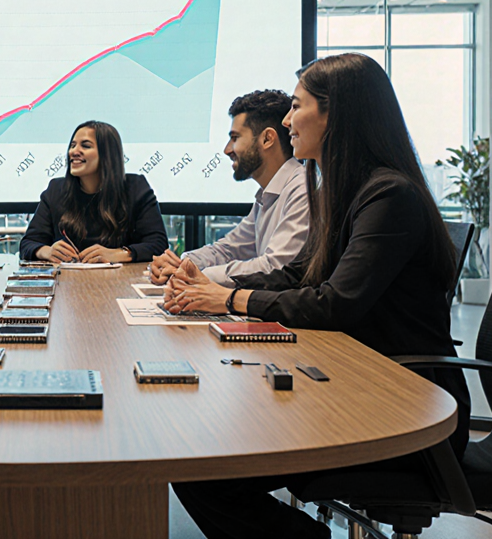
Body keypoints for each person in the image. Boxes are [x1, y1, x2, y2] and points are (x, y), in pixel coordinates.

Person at [165, 53, 469, 539]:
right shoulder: (347, 193)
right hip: (356, 385)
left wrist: (229, 300)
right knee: (196, 455)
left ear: (337, 115)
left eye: (297, 106)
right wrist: (216, 290)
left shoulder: (389, 196)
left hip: (403, 408)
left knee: (199, 467)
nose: (287, 121)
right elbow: (297, 275)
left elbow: (334, 303)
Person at [148, 90, 309, 286]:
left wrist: (196, 275)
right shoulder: (267, 195)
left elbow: (275, 268)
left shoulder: (302, 190)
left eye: (235, 138)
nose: (227, 150)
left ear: (267, 139)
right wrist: (183, 263)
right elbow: (229, 250)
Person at [19, 120, 168, 263]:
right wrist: (46, 251)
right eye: (72, 145)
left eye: (85, 146)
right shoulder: (56, 190)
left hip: (121, 278)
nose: (74, 151)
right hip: (67, 279)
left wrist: (117, 254)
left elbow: (158, 245)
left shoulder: (136, 188)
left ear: (107, 154)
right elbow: (28, 243)